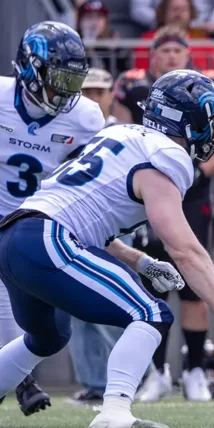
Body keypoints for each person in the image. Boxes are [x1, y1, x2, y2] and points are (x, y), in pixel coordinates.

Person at [0, 70, 214, 428]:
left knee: (48, 337)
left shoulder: (118, 132)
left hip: (14, 237)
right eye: (207, 118)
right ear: (187, 119)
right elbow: (186, 250)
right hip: (45, 237)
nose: (211, 129)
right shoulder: (167, 154)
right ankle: (114, 410)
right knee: (150, 313)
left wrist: (141, 261)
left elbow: (85, 215)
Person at [0, 21, 105, 416]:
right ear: (30, 67)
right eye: (59, 78)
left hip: (44, 217)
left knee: (53, 325)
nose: (66, 90)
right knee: (5, 274)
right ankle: (24, 382)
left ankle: (2, 363)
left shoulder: (85, 118)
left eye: (73, 81)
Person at [113, 26, 214, 402]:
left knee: (192, 278)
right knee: (151, 280)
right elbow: (120, 131)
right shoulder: (134, 87)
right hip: (147, 188)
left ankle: (196, 369)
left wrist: (197, 172)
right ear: (151, 57)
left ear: (188, 56)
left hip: (192, 190)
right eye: (164, 50)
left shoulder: (205, 88)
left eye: (177, 50)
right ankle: (157, 371)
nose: (170, 56)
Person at [67, 68, 124, 405]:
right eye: (86, 92)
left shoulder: (122, 133)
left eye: (99, 92)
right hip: (75, 226)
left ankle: (137, 376)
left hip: (113, 227)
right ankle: (94, 383)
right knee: (81, 307)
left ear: (111, 96)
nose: (92, 99)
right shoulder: (68, 130)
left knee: (113, 304)